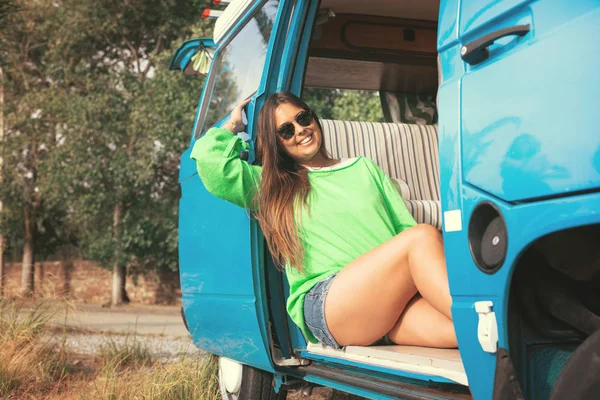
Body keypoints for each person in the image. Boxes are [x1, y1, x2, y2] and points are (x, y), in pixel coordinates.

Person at [192, 91, 457, 349]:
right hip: (329, 301)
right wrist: (231, 126)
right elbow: (210, 163)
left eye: (303, 118)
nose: (300, 130)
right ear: (276, 142)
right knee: (423, 235)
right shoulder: (273, 185)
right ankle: (476, 313)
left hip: (386, 300)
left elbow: (403, 227)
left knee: (470, 334)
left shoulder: (363, 167)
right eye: (286, 130)